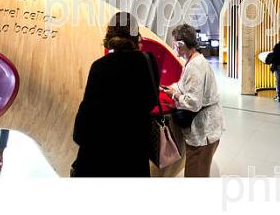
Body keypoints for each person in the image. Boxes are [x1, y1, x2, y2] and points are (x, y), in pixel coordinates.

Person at [71, 12, 159, 177]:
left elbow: (87, 113)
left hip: (99, 155)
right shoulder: (148, 62)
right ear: (136, 34)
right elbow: (152, 101)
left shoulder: (99, 66)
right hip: (134, 153)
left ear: (109, 34)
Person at [162, 24, 224, 177]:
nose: (173, 46)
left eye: (174, 43)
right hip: (207, 130)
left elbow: (193, 103)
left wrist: (174, 95)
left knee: (195, 175)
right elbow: (184, 84)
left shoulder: (194, 67)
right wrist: (168, 88)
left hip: (203, 133)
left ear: (181, 44)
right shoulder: (193, 61)